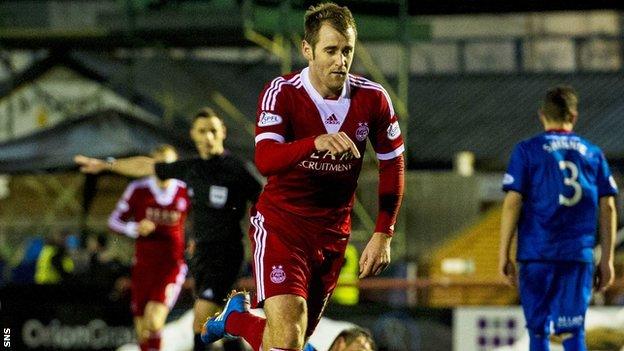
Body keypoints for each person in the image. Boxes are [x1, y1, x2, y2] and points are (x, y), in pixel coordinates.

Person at [202, 3, 405, 351]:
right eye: (331, 50)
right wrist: (314, 143)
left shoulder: (373, 99)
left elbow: (393, 164)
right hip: (283, 227)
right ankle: (236, 319)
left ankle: (234, 319)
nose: (341, 61)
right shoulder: (281, 92)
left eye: (347, 51)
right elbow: (265, 159)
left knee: (288, 341)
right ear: (307, 50)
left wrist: (383, 233)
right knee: (287, 336)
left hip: (330, 235)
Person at [75, 108, 263, 351]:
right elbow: (147, 166)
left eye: (213, 131)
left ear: (223, 133)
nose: (208, 137)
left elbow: (266, 200)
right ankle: (239, 332)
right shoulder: (191, 169)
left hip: (225, 255)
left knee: (199, 321)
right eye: (202, 131)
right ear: (193, 134)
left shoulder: (236, 169)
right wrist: (107, 164)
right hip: (199, 258)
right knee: (211, 326)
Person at [498, 85, 618, 351]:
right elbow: (608, 205)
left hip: (535, 256)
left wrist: (503, 253)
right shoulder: (593, 154)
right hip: (576, 257)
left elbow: (512, 202)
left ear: (542, 115)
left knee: (538, 333)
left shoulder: (526, 151)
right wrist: (607, 259)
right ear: (573, 117)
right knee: (573, 333)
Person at [108, 144, 189, 351]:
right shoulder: (138, 189)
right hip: (143, 267)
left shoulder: (185, 190)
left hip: (170, 266)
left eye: (169, 165)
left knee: (154, 321)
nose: (164, 169)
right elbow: (114, 221)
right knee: (143, 329)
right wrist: (134, 227)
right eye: (159, 164)